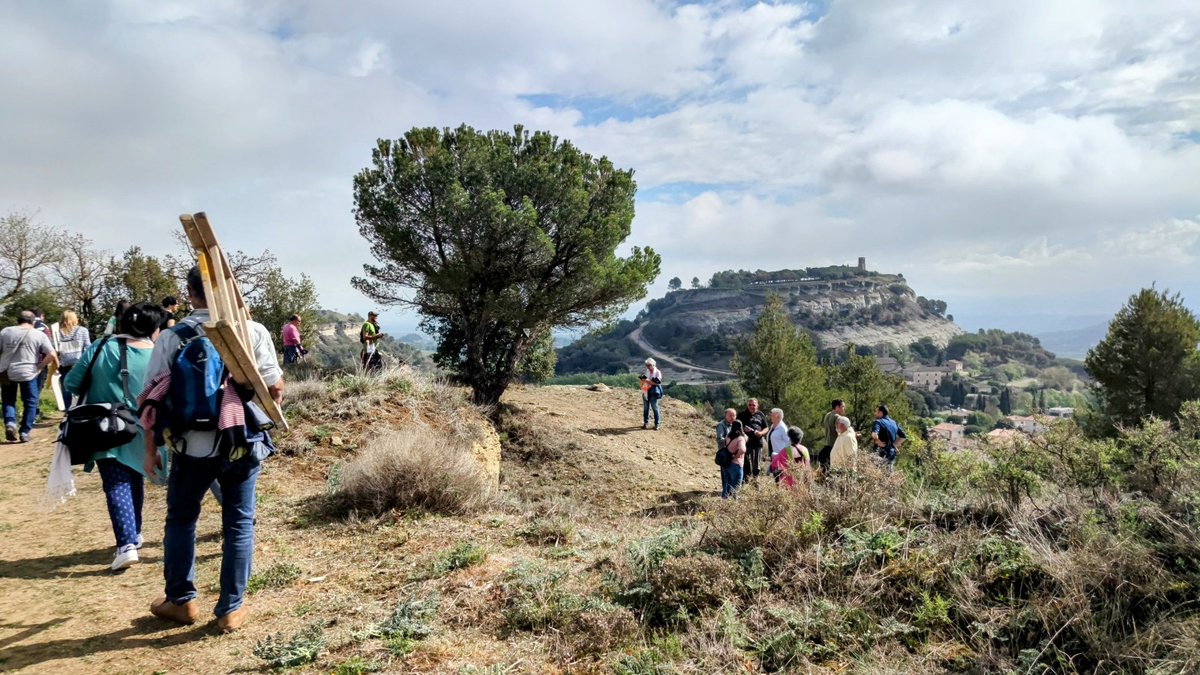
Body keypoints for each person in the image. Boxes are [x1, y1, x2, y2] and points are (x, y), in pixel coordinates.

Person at [143, 266, 284, 632]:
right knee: (238, 522)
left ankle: (181, 602)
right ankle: (230, 610)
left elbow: (150, 400)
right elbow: (275, 389)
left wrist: (152, 447)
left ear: (190, 294)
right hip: (240, 445)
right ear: (229, 292)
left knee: (181, 519)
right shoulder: (251, 331)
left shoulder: (173, 337)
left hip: (190, 447)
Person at [64, 303, 162, 571]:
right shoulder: (157, 355)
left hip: (104, 426)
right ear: (153, 328)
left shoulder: (100, 347)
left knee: (116, 483)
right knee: (135, 477)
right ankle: (135, 534)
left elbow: (71, 383)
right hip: (144, 428)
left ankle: (126, 544)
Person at [0, 311, 58, 443]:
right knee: (31, 402)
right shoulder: (39, 334)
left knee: (9, 400)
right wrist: (40, 366)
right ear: (33, 321)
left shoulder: (5, 332)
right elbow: (52, 354)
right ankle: (25, 432)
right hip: (29, 372)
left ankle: (10, 423)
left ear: (18, 320)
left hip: (7, 372)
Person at [56, 310, 92, 410]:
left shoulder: (57, 332)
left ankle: (67, 410)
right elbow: (87, 347)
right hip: (79, 364)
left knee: (66, 388)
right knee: (81, 388)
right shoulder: (82, 330)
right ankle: (81, 408)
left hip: (64, 364)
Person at [736, 399, 769, 480]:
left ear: (757, 406)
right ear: (747, 405)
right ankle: (744, 480)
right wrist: (743, 430)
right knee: (745, 463)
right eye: (750, 405)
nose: (751, 406)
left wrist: (761, 433)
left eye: (753, 405)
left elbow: (766, 427)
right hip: (745, 443)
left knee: (756, 465)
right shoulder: (742, 414)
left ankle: (755, 481)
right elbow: (736, 427)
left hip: (758, 443)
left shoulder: (760, 414)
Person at [871, 404, 907, 471]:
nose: (875, 413)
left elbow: (874, 434)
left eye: (876, 411)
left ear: (881, 413)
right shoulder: (894, 422)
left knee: (876, 475)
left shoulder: (878, 422)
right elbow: (903, 437)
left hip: (879, 453)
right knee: (888, 476)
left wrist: (877, 441)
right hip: (891, 454)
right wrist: (894, 445)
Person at [722, 420, 747, 499]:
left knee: (726, 487)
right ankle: (733, 506)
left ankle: (724, 502)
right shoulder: (740, 438)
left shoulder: (728, 436)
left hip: (726, 464)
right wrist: (736, 456)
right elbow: (743, 449)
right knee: (735, 489)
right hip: (736, 464)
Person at [818, 400, 845, 471]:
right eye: (842, 406)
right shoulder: (838, 417)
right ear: (837, 407)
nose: (844, 408)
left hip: (826, 446)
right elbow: (840, 432)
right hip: (834, 447)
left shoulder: (827, 415)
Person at [766, 408, 790, 482]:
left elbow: (788, 443)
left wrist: (786, 458)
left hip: (781, 458)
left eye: (771, 414)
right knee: (776, 478)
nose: (770, 416)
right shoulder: (773, 426)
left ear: (776, 416)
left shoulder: (783, 428)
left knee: (780, 479)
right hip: (774, 457)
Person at [639, 358, 663, 430]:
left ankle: (657, 424)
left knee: (655, 408)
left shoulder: (658, 372)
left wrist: (647, 380)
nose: (648, 367)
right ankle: (645, 423)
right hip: (646, 391)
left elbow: (656, 383)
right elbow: (646, 381)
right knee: (646, 408)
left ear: (653, 365)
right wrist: (643, 380)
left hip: (653, 392)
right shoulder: (647, 371)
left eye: (649, 365)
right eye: (647, 365)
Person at [715, 408, 735, 493]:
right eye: (730, 415)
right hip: (725, 454)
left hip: (734, 454)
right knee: (725, 474)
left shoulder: (736, 425)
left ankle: (731, 491)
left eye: (734, 415)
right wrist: (731, 440)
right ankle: (725, 493)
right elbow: (720, 439)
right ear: (725, 416)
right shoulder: (721, 425)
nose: (732, 417)